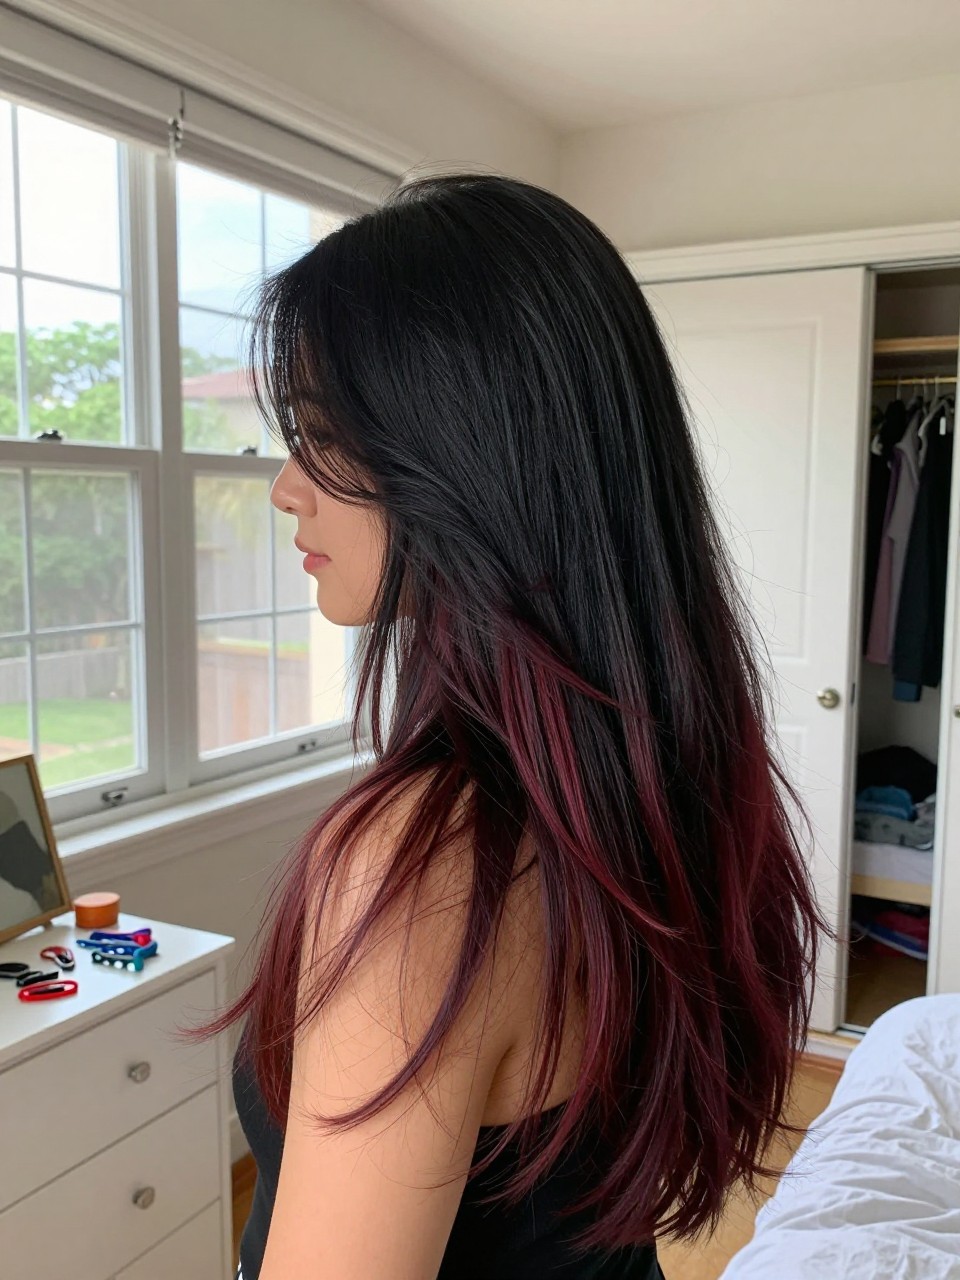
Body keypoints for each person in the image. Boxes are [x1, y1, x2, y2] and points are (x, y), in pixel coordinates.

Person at [200, 174, 823, 1279]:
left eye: (325, 435)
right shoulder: (646, 777)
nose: (285, 488)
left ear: (469, 457)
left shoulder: (427, 861)